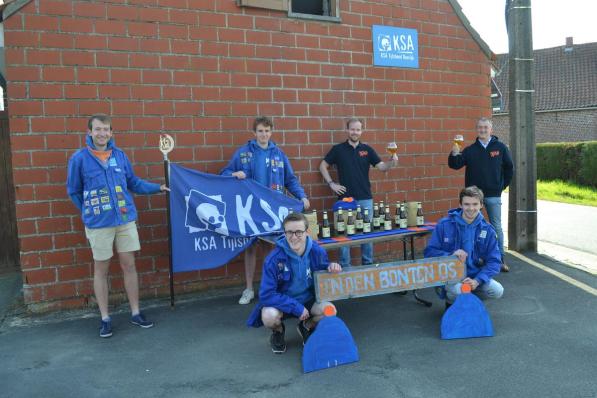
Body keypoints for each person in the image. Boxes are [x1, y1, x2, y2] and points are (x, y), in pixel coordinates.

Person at [66, 114, 169, 338]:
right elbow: (73, 190)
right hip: (99, 223)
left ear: (111, 133)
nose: (102, 134)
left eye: (106, 129)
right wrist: (87, 210)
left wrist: (157, 188)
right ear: (89, 132)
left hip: (125, 219)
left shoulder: (120, 156)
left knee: (128, 265)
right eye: (97, 129)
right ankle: (105, 318)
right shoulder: (79, 159)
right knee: (101, 269)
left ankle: (135, 312)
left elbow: (133, 183)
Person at [221, 116, 310, 305]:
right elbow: (224, 173)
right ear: (254, 133)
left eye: (267, 131)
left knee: (270, 249)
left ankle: (269, 288)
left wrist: (301, 196)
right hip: (249, 209)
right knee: (250, 248)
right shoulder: (243, 153)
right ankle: (249, 289)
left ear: (272, 132)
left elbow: (290, 180)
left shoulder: (279, 154)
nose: (264, 134)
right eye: (260, 131)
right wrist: (234, 174)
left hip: (271, 211)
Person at [246, 212, 342, 354]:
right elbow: (266, 295)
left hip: (308, 301)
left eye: (298, 232)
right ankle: (278, 332)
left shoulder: (317, 251)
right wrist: (295, 307)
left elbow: (323, 269)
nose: (294, 237)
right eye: (289, 232)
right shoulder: (273, 260)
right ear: (284, 233)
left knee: (330, 311)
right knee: (268, 316)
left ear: (307, 232)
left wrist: (331, 267)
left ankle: (306, 326)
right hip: (283, 304)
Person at [319, 118, 397, 267]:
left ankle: (367, 266)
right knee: (344, 236)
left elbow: (382, 167)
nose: (355, 132)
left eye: (358, 129)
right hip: (345, 200)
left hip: (365, 198)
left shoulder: (367, 150)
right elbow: (323, 166)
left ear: (362, 131)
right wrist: (331, 184)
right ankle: (345, 268)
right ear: (347, 130)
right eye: (352, 129)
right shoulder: (338, 149)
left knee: (367, 234)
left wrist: (392, 161)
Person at [448, 117, 514, 272]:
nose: (482, 130)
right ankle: (473, 259)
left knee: (496, 227)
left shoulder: (501, 148)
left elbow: (509, 169)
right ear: (476, 130)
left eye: (485, 127)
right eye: (480, 127)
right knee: (472, 227)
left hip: (493, 195)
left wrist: (500, 187)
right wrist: (454, 152)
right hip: (473, 198)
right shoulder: (470, 150)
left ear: (491, 129)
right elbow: (454, 165)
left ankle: (499, 260)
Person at [424, 186, 504, 305]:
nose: (471, 208)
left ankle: (470, 301)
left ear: (481, 205)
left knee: (497, 290)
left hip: (475, 276)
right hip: (451, 275)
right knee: (459, 290)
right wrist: (451, 254)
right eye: (466, 204)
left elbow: (495, 261)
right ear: (460, 205)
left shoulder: (488, 230)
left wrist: (477, 281)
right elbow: (429, 252)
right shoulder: (444, 225)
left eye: (475, 204)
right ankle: (450, 299)